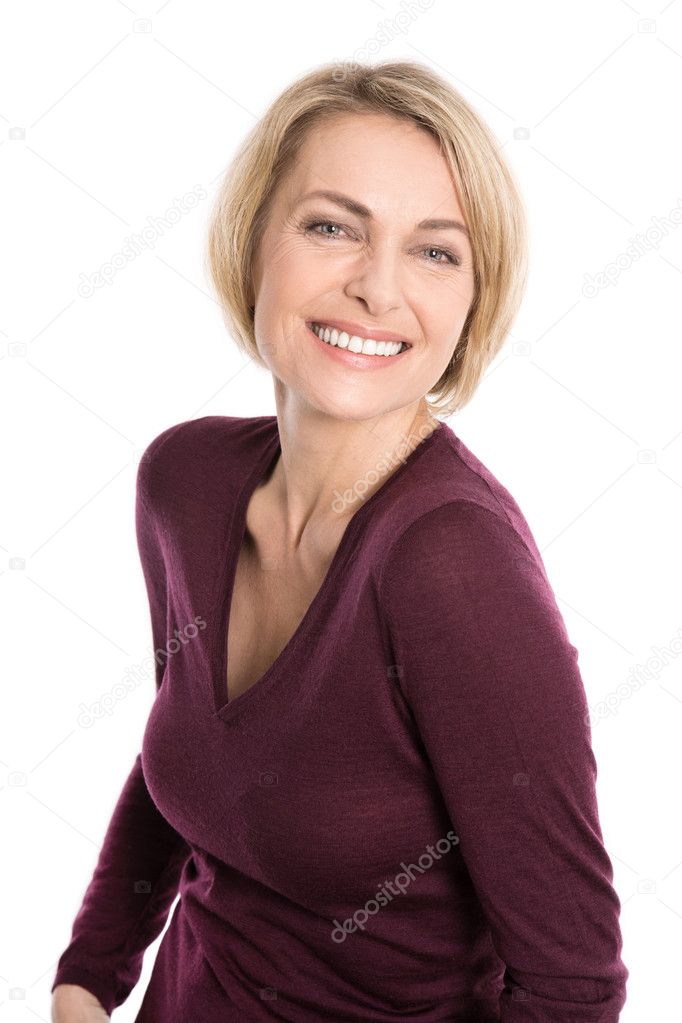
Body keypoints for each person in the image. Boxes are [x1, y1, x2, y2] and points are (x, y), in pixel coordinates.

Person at [51, 59, 628, 1022]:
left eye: (436, 252)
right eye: (332, 227)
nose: (376, 288)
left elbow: (572, 987)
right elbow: (187, 756)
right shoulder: (183, 486)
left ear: (472, 303)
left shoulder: (452, 567)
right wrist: (87, 976)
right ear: (253, 244)